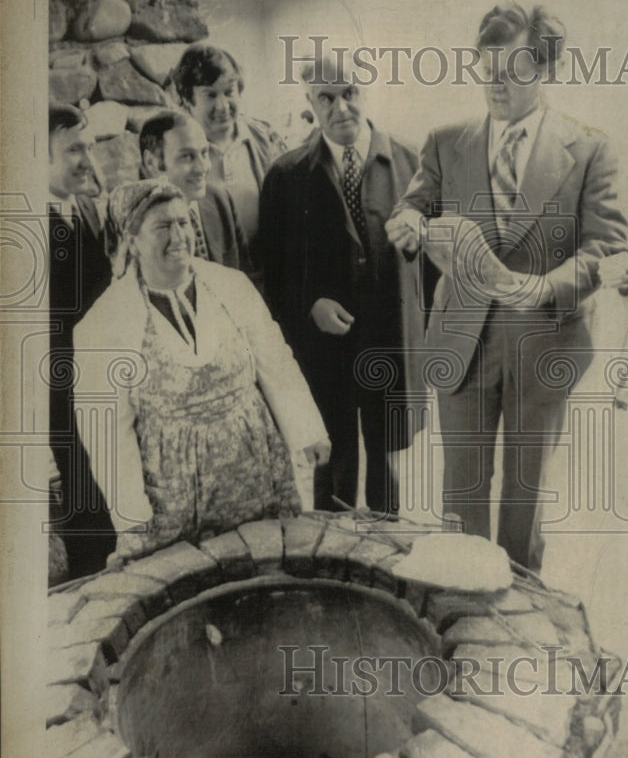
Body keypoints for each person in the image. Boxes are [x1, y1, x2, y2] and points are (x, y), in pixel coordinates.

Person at [387, 2, 628, 570]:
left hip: (545, 341)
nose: (496, 82)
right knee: (461, 492)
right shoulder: (446, 142)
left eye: (515, 70)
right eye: (487, 66)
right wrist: (407, 226)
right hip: (460, 341)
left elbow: (607, 247)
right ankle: (465, 607)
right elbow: (411, 208)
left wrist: (542, 287)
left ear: (544, 69)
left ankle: (518, 615)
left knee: (526, 495)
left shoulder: (590, 149)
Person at [73, 180, 330, 564]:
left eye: (184, 223)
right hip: (173, 493)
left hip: (256, 467)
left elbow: (275, 359)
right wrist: (132, 515)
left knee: (269, 568)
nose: (178, 237)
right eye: (162, 227)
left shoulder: (231, 286)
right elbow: (106, 430)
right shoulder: (104, 323)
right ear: (132, 238)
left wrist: (307, 429)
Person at [257, 54, 432, 516]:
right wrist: (307, 305)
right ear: (309, 103)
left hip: (393, 345)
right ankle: (330, 563)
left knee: (388, 465)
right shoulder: (285, 175)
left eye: (349, 93)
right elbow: (269, 273)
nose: (341, 108)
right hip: (324, 351)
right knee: (331, 466)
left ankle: (387, 553)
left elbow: (439, 266)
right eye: (326, 98)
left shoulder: (416, 165)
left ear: (366, 90)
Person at [48, 102, 115, 577]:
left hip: (99, 378)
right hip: (53, 390)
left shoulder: (88, 208)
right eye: (73, 149)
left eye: (89, 147)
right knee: (80, 493)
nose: (85, 159)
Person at [171, 43, 286, 246]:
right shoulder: (173, 151)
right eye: (211, 95)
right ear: (188, 99)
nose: (223, 106)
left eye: (229, 92)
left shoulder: (266, 138)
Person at [138, 110, 253, 278]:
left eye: (204, 153)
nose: (203, 167)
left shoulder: (220, 199)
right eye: (187, 156)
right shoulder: (136, 222)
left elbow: (245, 279)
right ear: (152, 163)